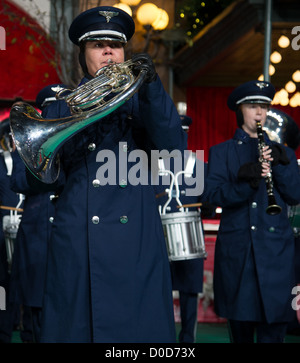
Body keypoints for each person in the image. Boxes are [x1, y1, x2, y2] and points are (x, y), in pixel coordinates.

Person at [24, 6, 187, 343]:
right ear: (84, 55)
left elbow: (173, 147)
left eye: (115, 44)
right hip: (79, 242)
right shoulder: (61, 106)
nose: (108, 50)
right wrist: (77, 121)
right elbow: (38, 179)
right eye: (97, 44)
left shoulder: (142, 104)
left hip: (134, 242)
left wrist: (152, 87)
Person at [205, 80, 300, 343]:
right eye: (252, 106)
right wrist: (246, 182)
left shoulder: (285, 153)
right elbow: (211, 197)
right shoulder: (221, 152)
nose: (260, 113)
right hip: (239, 256)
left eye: (264, 107)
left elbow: (295, 195)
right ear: (240, 111)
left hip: (276, 256)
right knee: (241, 333)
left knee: (274, 334)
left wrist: (280, 164)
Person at [9, 84, 65, 343]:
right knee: (33, 311)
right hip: (36, 237)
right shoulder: (27, 143)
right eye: (50, 107)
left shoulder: (73, 140)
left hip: (65, 232)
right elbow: (17, 182)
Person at [156, 115, 213, 343]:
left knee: (189, 289)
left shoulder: (200, 166)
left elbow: (208, 202)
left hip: (189, 236)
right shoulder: (148, 166)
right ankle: (161, 336)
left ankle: (188, 339)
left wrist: (209, 202)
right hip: (158, 233)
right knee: (158, 288)